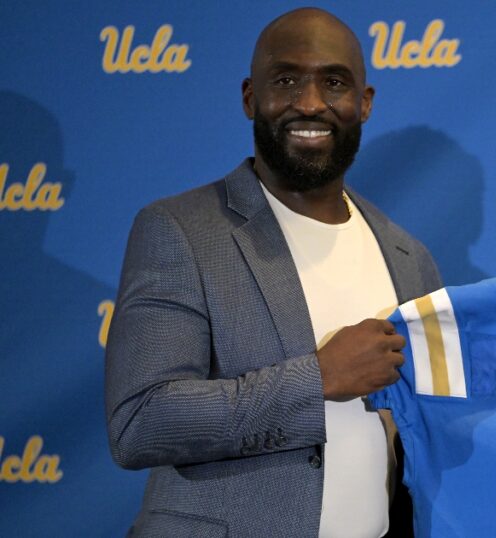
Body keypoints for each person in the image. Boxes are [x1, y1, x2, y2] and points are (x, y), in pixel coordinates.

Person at [105, 8, 439, 537]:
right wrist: (319, 379)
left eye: (334, 82)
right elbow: (141, 422)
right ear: (249, 97)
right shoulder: (180, 231)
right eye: (286, 80)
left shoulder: (407, 256)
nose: (309, 103)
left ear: (364, 103)